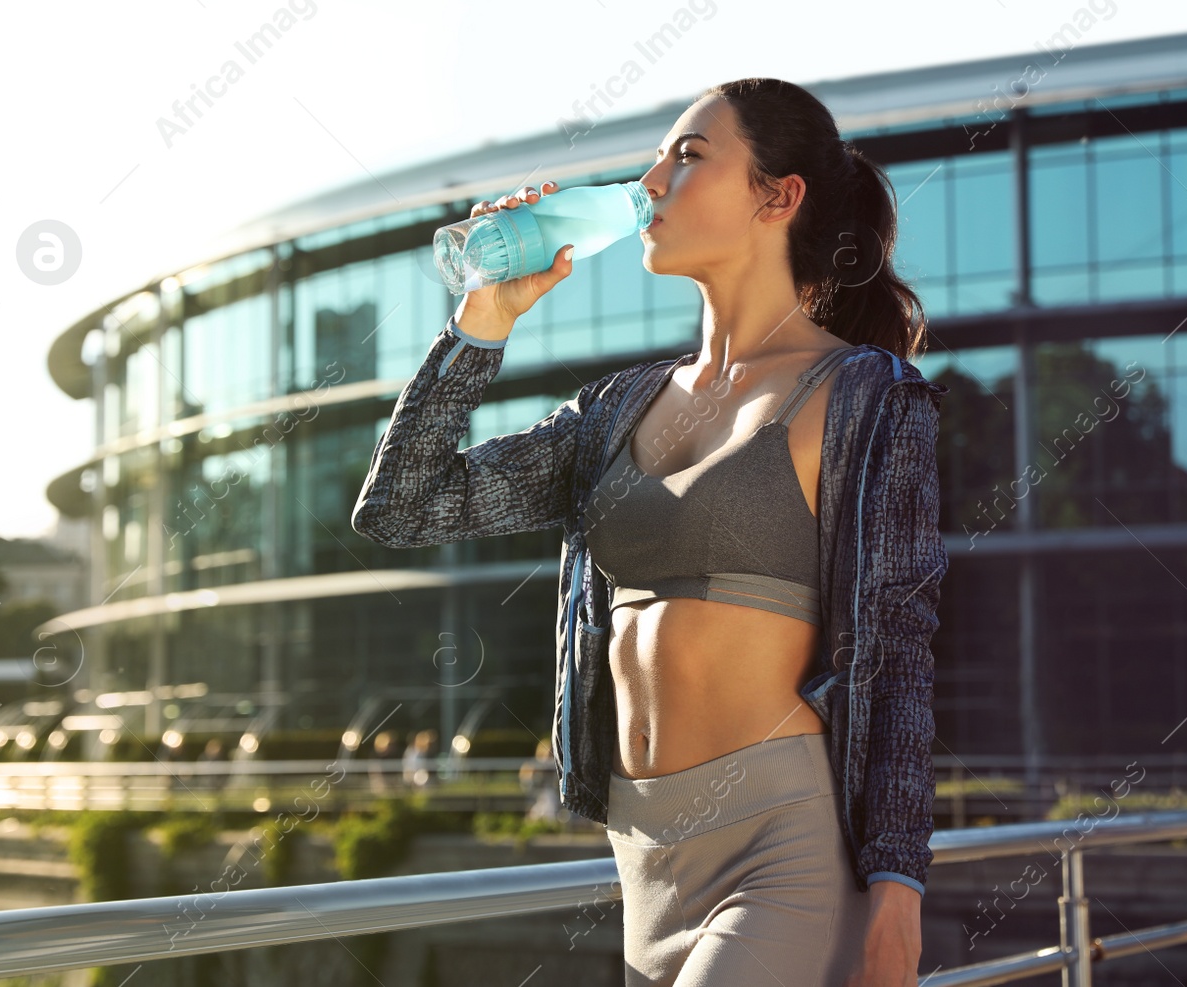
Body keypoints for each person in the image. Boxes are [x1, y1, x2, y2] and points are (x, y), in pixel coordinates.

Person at [352, 78, 946, 986]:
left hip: (783, 848)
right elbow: (405, 505)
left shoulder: (864, 396)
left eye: (689, 156)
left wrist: (898, 886)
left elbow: (897, 645)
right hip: (641, 856)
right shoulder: (613, 409)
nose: (653, 179)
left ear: (777, 197)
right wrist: (484, 319)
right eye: (660, 155)